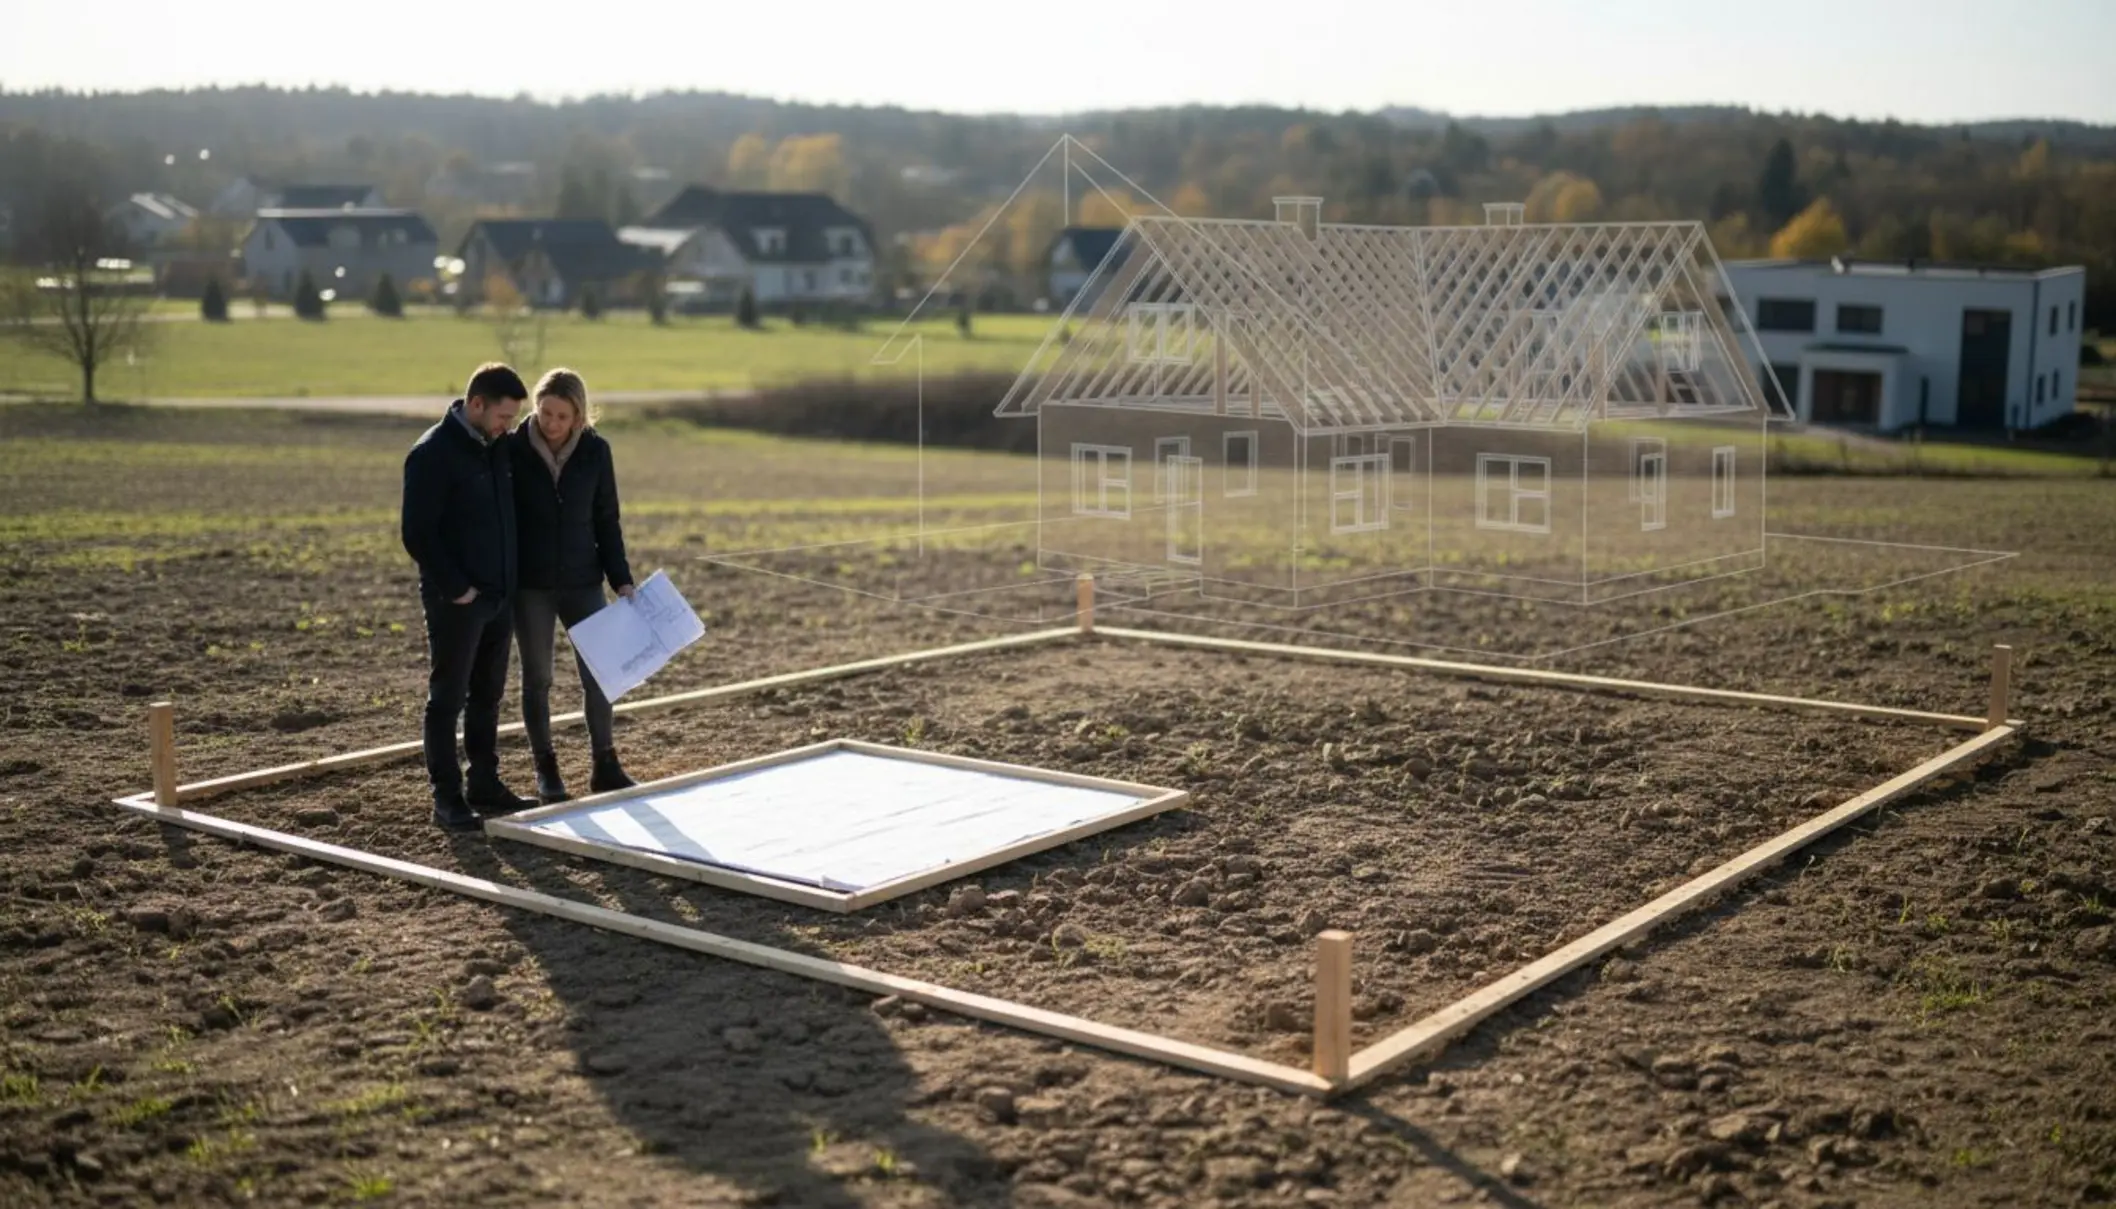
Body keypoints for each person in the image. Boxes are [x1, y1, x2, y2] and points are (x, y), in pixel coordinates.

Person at [400, 363, 540, 832]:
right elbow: (418, 533)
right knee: (447, 698)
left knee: (488, 694)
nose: (508, 427)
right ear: (476, 404)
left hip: (499, 596)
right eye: (503, 416)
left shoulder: (496, 446)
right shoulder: (432, 454)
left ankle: (484, 782)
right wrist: (457, 589)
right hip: (457, 602)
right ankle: (447, 798)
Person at [510, 367, 639, 803]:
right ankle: (546, 769)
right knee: (538, 677)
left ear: (579, 416)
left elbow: (607, 519)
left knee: (600, 673)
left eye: (562, 416)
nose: (551, 423)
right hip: (531, 585)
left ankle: (606, 764)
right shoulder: (513, 449)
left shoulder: (596, 452)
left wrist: (621, 579)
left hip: (584, 581)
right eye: (545, 412)